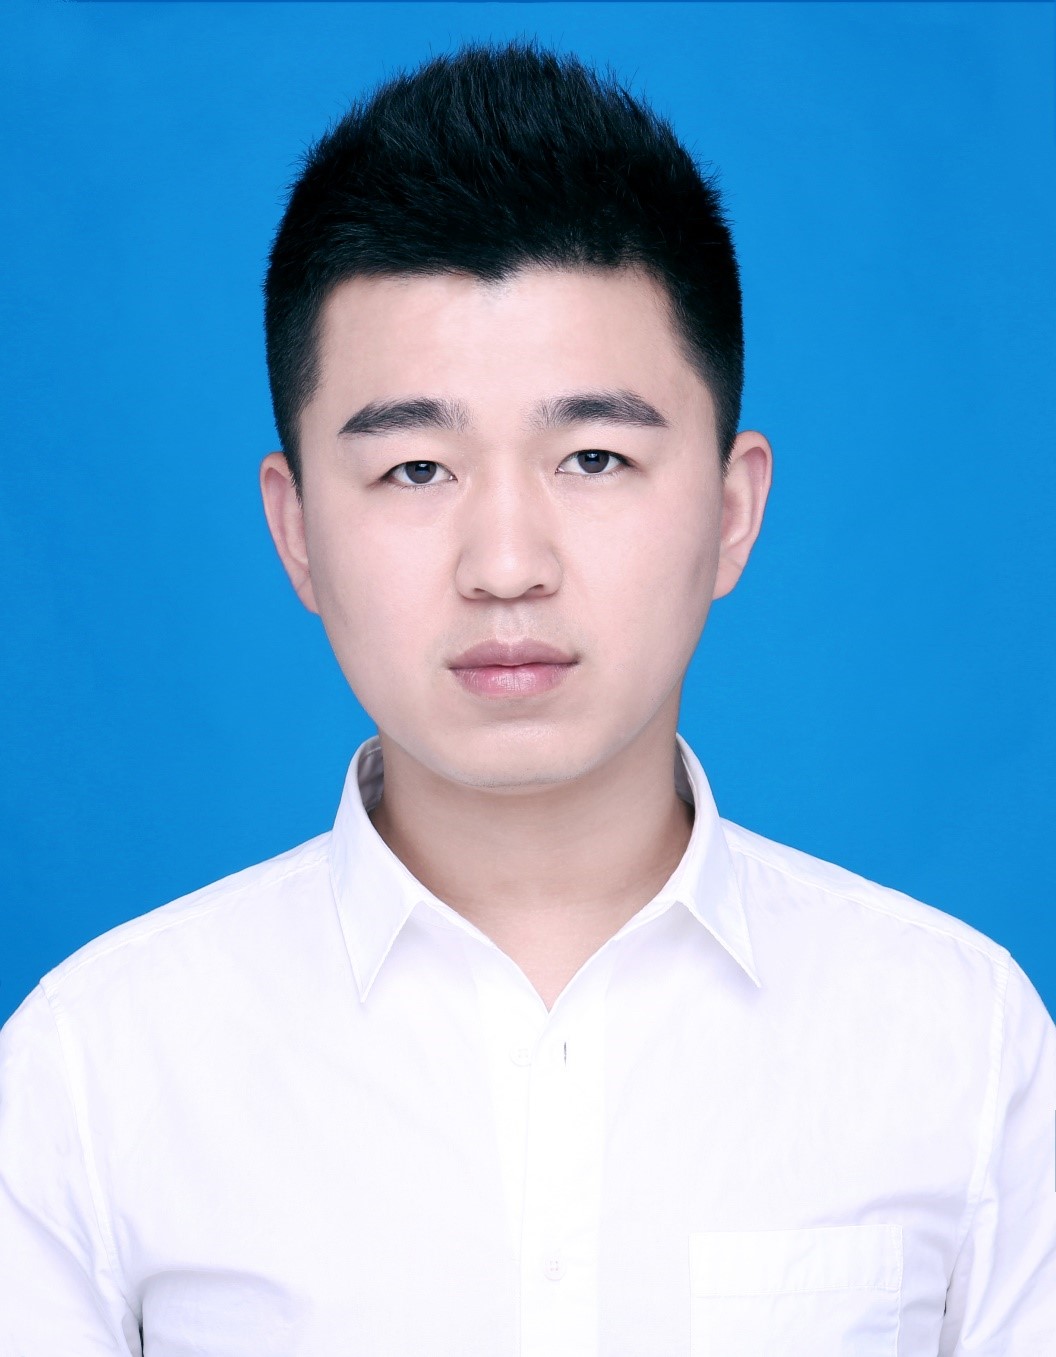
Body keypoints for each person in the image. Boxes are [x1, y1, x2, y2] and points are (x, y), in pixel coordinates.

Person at [1, 38, 1052, 1356]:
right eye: (416, 469)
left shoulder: (963, 1048)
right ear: (297, 529)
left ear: (733, 510)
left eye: (594, 457)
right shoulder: (92, 1075)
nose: (506, 563)